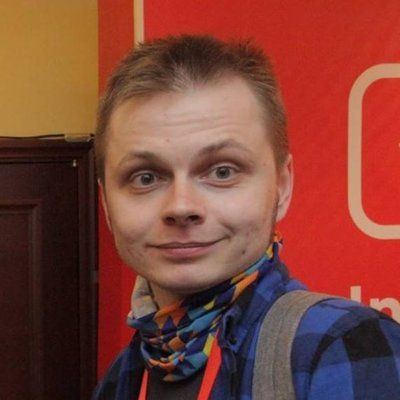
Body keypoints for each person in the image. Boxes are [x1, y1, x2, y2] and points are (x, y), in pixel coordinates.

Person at [93, 35, 400, 399]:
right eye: (145, 178)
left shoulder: (341, 347)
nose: (181, 206)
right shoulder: (121, 377)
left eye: (222, 171)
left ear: (281, 187)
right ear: (106, 203)